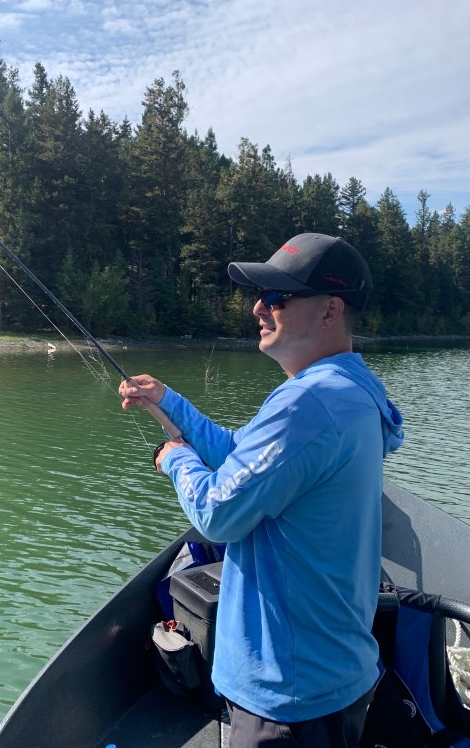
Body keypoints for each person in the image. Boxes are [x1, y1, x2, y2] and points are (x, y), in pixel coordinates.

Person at [119, 232, 404, 748]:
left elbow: (218, 513)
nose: (258, 308)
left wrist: (175, 458)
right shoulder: (349, 389)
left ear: (330, 310)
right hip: (330, 671)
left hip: (287, 690)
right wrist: (168, 403)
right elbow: (239, 454)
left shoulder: (309, 403)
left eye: (277, 297)